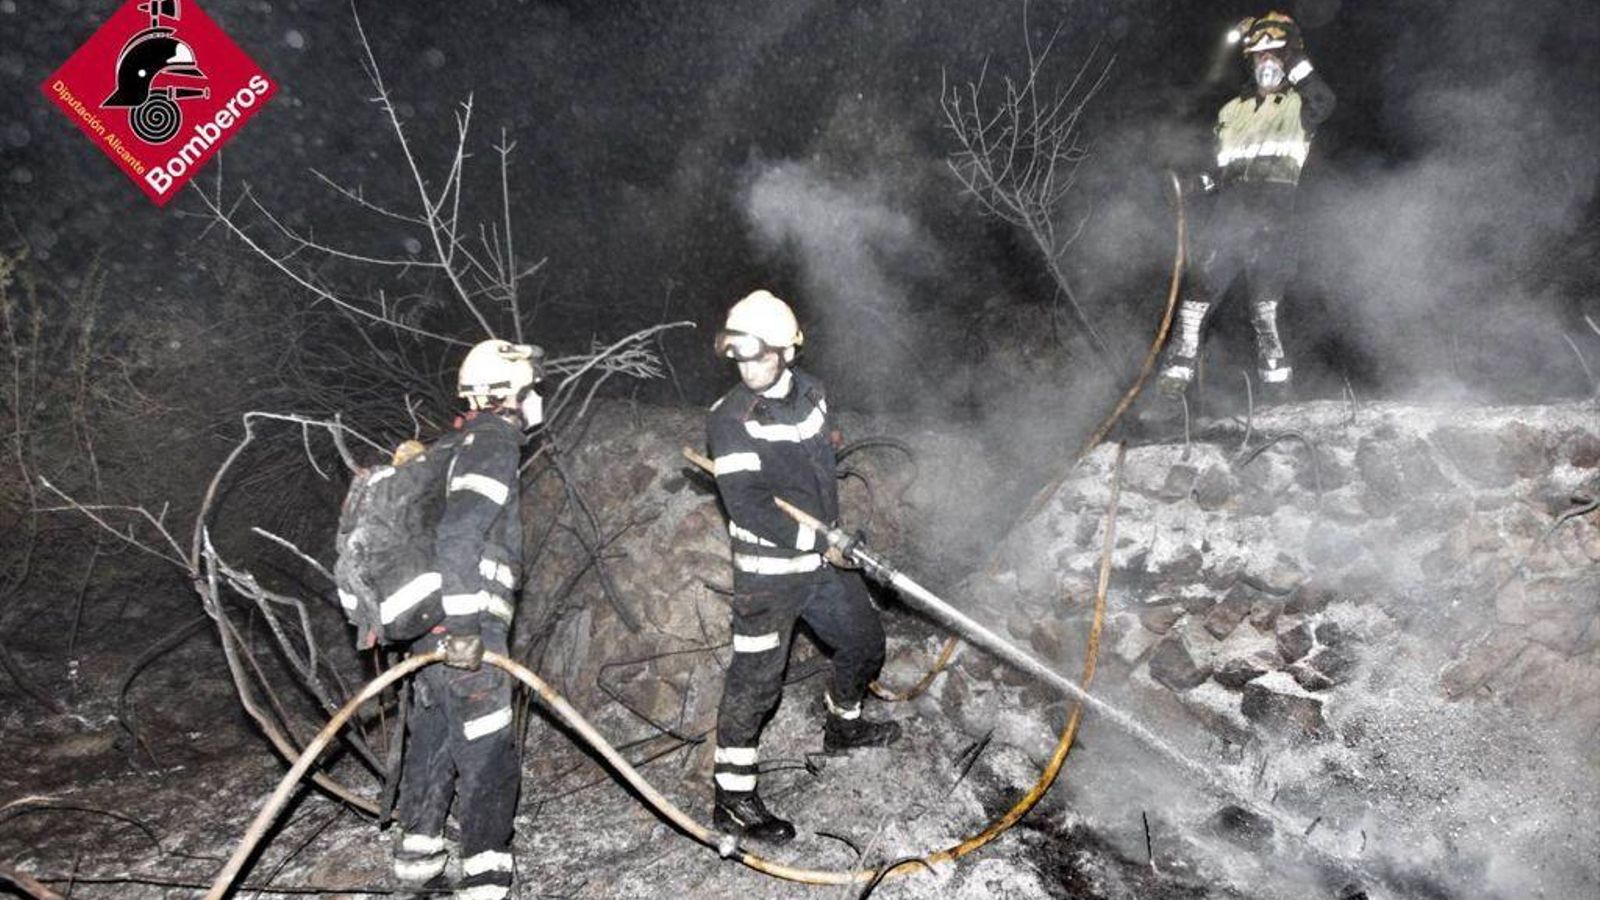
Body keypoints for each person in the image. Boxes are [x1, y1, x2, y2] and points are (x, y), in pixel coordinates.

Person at [704, 289, 902, 844]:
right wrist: (819, 546)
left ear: (788, 351)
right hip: (768, 574)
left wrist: (832, 535)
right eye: (737, 355)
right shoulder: (730, 420)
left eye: (757, 354)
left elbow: (818, 471)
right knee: (756, 684)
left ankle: (844, 724)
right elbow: (748, 507)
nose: (746, 366)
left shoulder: (813, 394)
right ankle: (734, 800)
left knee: (864, 641)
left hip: (821, 560)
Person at [390, 339, 543, 900]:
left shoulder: (453, 444)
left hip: (431, 636)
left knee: (432, 741)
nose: (536, 401)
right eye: (530, 390)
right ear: (509, 394)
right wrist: (464, 632)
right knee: (489, 758)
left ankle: (418, 870)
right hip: (466, 633)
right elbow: (458, 536)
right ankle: (484, 884)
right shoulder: (494, 443)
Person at [1158, 10, 1336, 402]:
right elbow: (1221, 170)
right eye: (1260, 56)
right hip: (1231, 214)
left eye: (1276, 56)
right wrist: (1194, 185)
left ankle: (1277, 394)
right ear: (1251, 61)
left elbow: (1325, 100)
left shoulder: (1299, 106)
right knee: (1197, 293)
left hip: (1274, 216)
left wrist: (1292, 55)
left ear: (1288, 59)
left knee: (1265, 307)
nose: (1267, 64)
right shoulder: (1231, 111)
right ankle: (1172, 384)